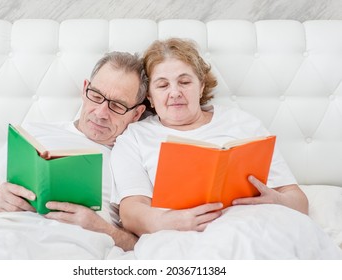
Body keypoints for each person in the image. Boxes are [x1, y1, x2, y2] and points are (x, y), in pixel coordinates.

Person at [110, 38, 309, 237]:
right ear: (150, 98)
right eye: (162, 86)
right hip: (182, 236)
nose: (175, 92)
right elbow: (130, 212)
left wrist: (277, 201)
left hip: (255, 228)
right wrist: (169, 221)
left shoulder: (243, 123)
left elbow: (298, 200)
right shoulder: (134, 138)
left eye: (185, 82)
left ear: (202, 86)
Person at [0, 51, 147, 251]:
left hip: (69, 248)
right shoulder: (33, 133)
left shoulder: (134, 159)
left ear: (136, 113)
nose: (100, 113)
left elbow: (146, 242)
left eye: (117, 106)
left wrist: (102, 229)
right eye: (96, 96)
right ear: (84, 89)